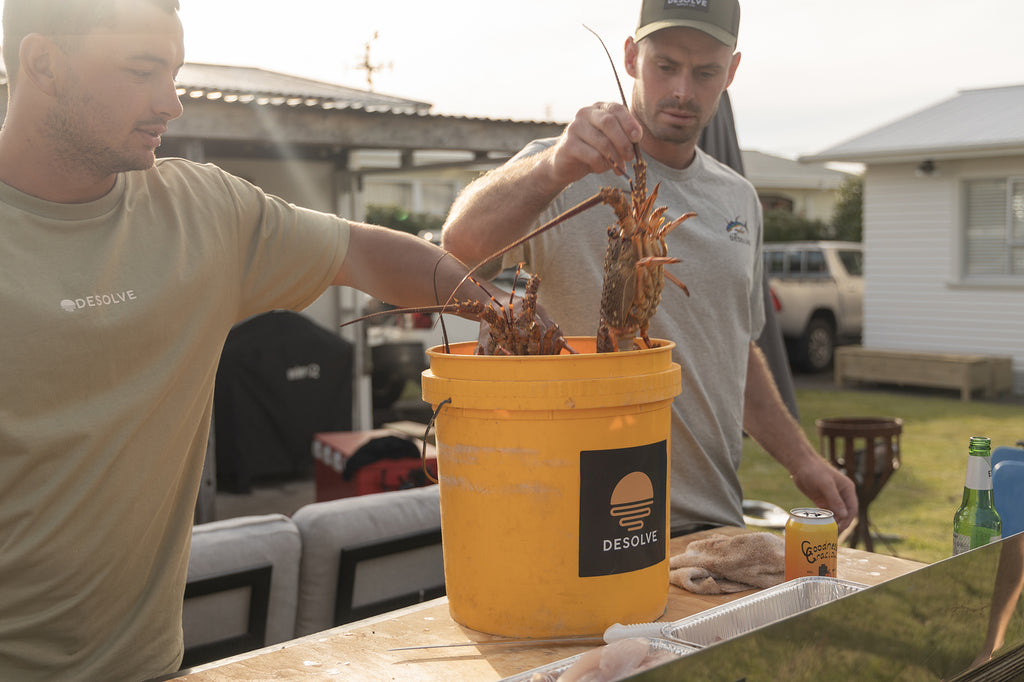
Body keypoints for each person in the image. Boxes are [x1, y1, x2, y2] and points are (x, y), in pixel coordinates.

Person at [0, 1, 556, 680]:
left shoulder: (203, 212)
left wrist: (501, 311)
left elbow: (368, 255)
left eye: (174, 71)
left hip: (150, 665)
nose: (171, 103)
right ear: (43, 64)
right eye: (143, 70)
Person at [442, 0, 857, 537]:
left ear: (730, 73)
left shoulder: (740, 200)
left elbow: (735, 350)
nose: (684, 89)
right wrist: (554, 167)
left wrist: (803, 460)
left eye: (705, 71)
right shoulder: (562, 167)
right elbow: (459, 245)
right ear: (632, 57)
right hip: (574, 523)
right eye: (666, 66)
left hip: (709, 520)